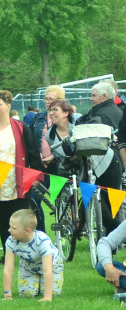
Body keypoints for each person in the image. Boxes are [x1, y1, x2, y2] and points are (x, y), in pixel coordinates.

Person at [0, 90, 44, 265]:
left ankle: (27, 255)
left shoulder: (22, 128)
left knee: (20, 222)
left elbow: (34, 154)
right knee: (4, 222)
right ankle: (8, 256)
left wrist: (36, 175)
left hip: (19, 184)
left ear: (8, 107)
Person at [44, 98, 122, 233]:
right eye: (50, 110)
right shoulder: (50, 135)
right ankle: (115, 236)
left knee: (114, 205)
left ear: (66, 113)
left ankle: (113, 239)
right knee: (102, 212)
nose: (51, 113)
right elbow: (61, 155)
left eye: (55, 110)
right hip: (84, 171)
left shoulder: (81, 121)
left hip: (107, 164)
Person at [1, 208, 61, 302]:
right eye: (10, 226)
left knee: (53, 293)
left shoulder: (42, 241)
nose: (9, 230)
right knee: (26, 294)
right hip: (28, 268)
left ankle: (42, 284)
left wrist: (47, 297)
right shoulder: (11, 241)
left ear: (27, 231)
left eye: (14, 228)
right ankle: (36, 280)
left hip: (52, 267)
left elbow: (47, 269)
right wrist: (7, 295)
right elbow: (8, 268)